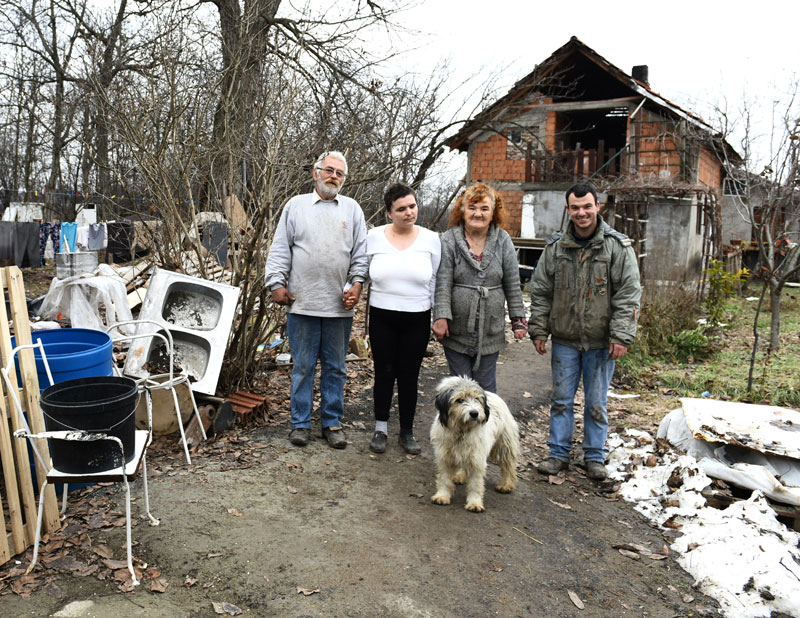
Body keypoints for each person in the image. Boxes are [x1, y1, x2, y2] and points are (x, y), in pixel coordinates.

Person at [529, 182, 641, 481]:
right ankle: (558, 454)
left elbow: (628, 294)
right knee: (561, 400)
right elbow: (541, 291)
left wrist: (621, 335)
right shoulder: (556, 248)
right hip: (565, 340)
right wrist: (538, 329)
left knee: (596, 402)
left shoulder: (617, 247)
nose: (581, 213)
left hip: (601, 342)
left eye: (587, 206)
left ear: (597, 206)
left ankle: (594, 457)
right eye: (575, 208)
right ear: (568, 210)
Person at [265, 151, 368, 449]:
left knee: (336, 368)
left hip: (339, 308)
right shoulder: (295, 206)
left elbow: (360, 255)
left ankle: (332, 422)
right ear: (315, 172)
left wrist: (357, 285)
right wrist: (276, 284)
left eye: (339, 173)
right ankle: (300, 423)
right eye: (329, 170)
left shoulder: (352, 210)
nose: (333, 176)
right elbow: (280, 249)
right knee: (303, 367)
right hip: (302, 304)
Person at [366, 182, 441, 455]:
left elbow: (436, 280)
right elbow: (361, 271)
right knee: (384, 372)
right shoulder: (373, 237)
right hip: (382, 315)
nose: (409, 212)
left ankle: (407, 432)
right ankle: (381, 428)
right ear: (389, 213)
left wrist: (437, 315)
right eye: (401, 209)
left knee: (409, 375)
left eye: (412, 206)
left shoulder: (431, 239)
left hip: (417, 317)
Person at [432, 183, 527, 393]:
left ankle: (487, 426)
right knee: (459, 388)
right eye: (472, 207)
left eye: (484, 208)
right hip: (456, 328)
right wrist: (440, 316)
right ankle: (457, 426)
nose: (478, 214)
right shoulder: (448, 240)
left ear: (493, 213)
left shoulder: (503, 240)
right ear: (462, 210)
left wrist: (518, 319)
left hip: (490, 328)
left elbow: (512, 283)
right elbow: (443, 281)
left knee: (486, 389)